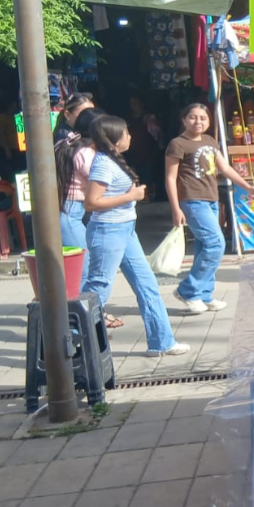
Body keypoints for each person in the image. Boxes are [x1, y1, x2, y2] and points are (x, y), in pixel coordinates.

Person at [81, 115, 188, 357]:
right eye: (126, 133)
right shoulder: (103, 163)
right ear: (113, 138)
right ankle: (71, 342)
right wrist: (131, 196)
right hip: (108, 231)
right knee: (98, 288)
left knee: (147, 284)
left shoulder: (113, 160)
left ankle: (162, 342)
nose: (130, 137)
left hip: (125, 229)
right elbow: (91, 203)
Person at [165, 103, 254, 314]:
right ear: (183, 120)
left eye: (203, 118)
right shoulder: (177, 144)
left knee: (203, 247)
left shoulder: (210, 141)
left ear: (209, 121)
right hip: (192, 200)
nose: (198, 122)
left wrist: (246, 186)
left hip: (211, 200)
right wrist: (175, 208)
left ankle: (204, 294)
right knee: (215, 244)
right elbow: (170, 178)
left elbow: (224, 168)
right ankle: (188, 290)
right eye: (192, 117)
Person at [54, 108, 125, 329]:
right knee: (84, 272)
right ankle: (86, 324)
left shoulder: (72, 145)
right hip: (70, 214)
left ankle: (90, 319)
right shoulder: (86, 153)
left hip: (70, 213)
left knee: (83, 269)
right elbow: (105, 182)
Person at [125, 94, 164, 202]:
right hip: (132, 152)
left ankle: (147, 196)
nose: (133, 106)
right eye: (131, 104)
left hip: (147, 151)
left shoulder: (148, 118)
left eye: (135, 103)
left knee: (148, 175)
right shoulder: (128, 119)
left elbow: (157, 135)